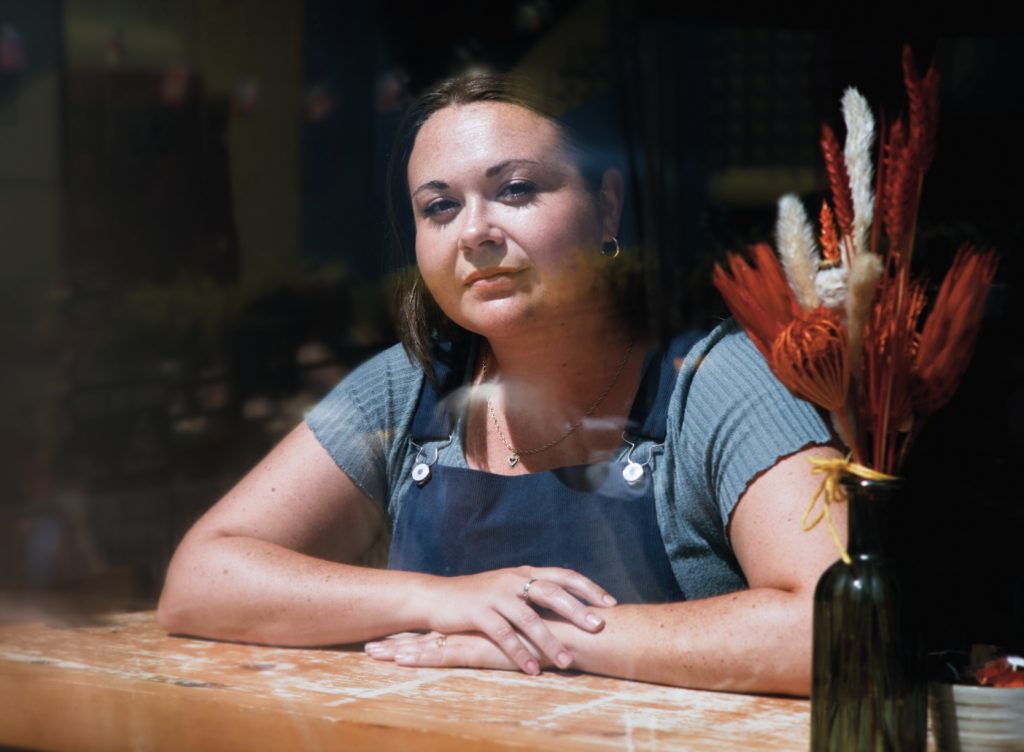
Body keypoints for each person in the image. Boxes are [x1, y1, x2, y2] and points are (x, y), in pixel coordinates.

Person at [158, 72, 843, 696]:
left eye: (515, 190)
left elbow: (833, 632)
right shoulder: (410, 388)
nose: (475, 233)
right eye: (439, 207)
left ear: (607, 208)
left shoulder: (712, 379)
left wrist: (539, 638)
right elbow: (199, 581)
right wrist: (442, 601)